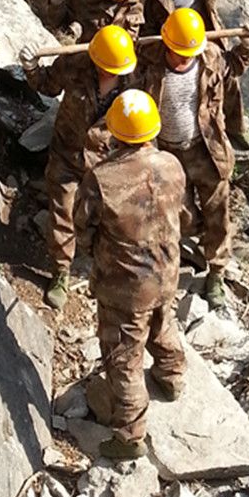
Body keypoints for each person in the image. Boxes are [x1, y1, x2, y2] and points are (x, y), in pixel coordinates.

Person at [75, 90, 187, 461]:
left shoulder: (102, 178)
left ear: (115, 131)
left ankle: (129, 436)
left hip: (124, 286)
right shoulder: (172, 164)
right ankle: (172, 376)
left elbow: (83, 226)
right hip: (167, 272)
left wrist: (94, 254)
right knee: (162, 323)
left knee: (123, 356)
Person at [133, 9, 249, 310]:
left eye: (189, 53)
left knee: (218, 213)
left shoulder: (210, 57)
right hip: (167, 154)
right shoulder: (149, 61)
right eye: (179, 53)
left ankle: (216, 271)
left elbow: (234, 67)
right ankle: (193, 239)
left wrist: (247, 45)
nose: (185, 58)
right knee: (181, 214)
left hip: (206, 150)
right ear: (167, 43)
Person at [19, 25, 137, 310]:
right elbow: (47, 85)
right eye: (106, 69)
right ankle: (61, 271)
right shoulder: (74, 64)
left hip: (107, 164)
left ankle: (106, 268)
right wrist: (31, 67)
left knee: (111, 218)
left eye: (115, 70)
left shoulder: (135, 83)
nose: (110, 74)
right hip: (67, 153)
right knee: (63, 209)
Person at [144, 0, 249, 148]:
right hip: (176, 39)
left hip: (206, 34)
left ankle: (233, 128)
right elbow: (145, 16)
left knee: (228, 78)